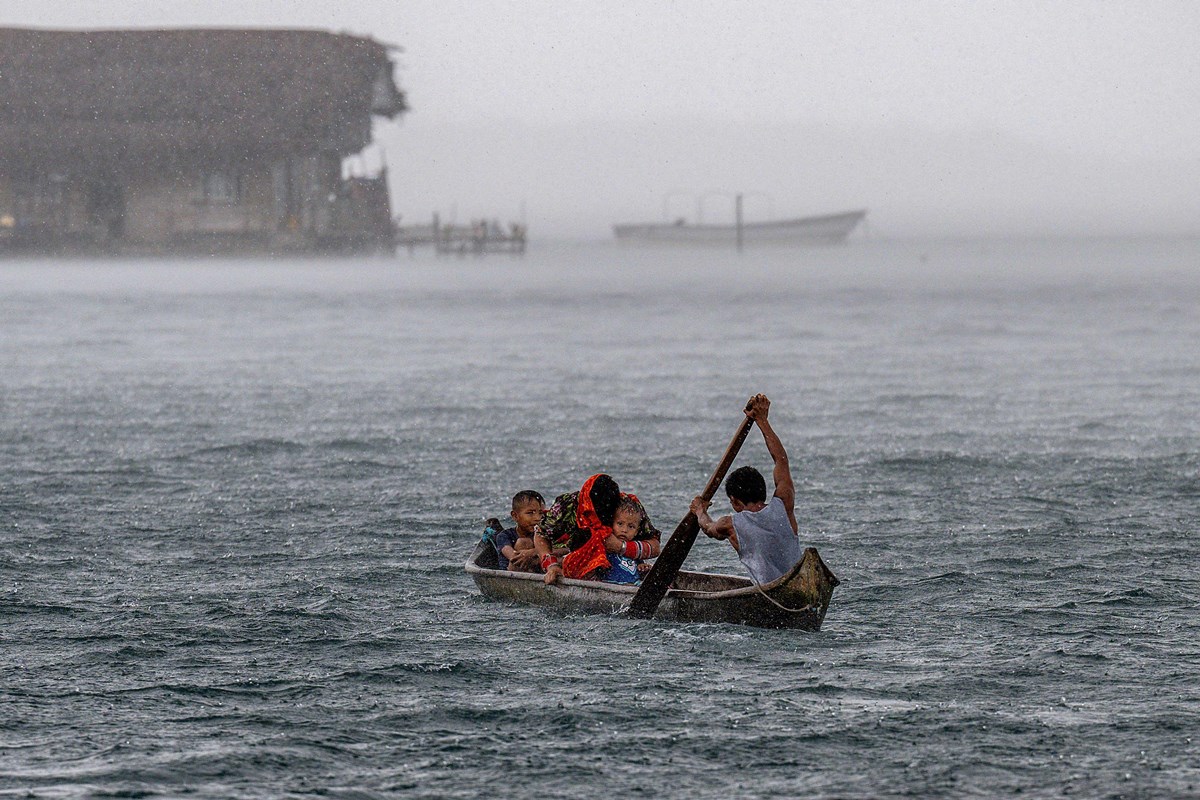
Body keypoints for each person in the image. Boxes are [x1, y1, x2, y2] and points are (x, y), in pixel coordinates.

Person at [690, 394, 802, 585]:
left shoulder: (730, 524)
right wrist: (762, 421)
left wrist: (700, 510)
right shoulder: (784, 503)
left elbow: (708, 528)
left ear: (734, 501)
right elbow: (781, 460)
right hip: (799, 582)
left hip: (771, 595)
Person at [536, 473, 661, 584]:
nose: (601, 519)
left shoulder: (627, 508)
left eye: (608, 514)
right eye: (598, 513)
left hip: (622, 562)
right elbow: (541, 534)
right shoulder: (567, 506)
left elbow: (655, 547)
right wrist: (551, 566)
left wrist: (621, 547)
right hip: (577, 559)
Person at [495, 490, 545, 572]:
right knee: (524, 543)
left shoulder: (543, 534)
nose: (538, 518)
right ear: (515, 516)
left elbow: (564, 550)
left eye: (541, 513)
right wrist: (538, 554)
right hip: (511, 574)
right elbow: (514, 557)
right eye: (530, 513)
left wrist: (532, 552)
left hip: (535, 570)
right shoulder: (504, 535)